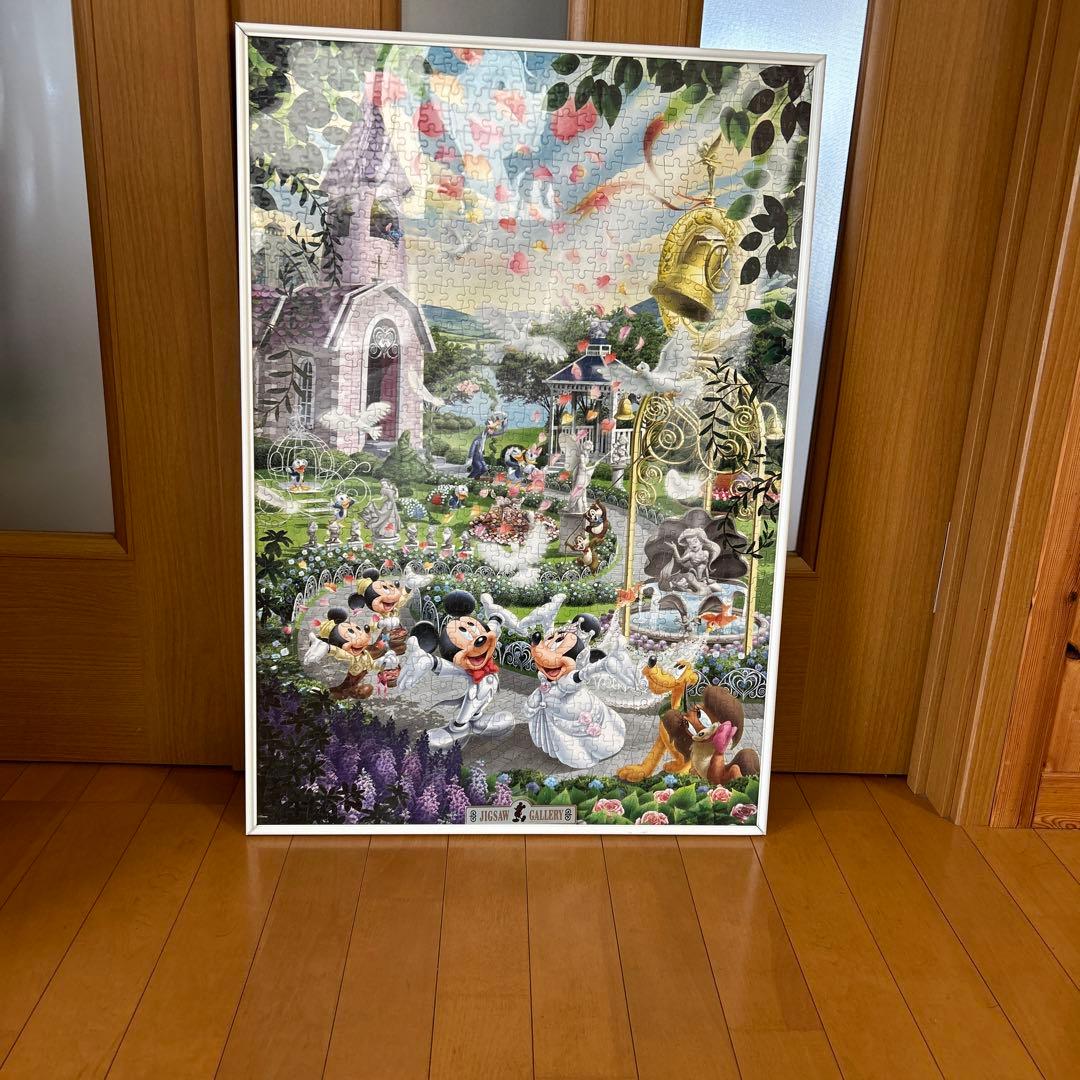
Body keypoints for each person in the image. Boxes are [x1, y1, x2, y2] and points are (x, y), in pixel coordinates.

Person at [466, 410, 507, 480]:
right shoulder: (478, 439)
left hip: (480, 455)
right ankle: (469, 479)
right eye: (491, 429)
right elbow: (473, 446)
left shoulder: (487, 435)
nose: (493, 431)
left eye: (493, 430)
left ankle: (474, 478)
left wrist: (505, 421)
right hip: (475, 456)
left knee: (484, 469)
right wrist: (470, 457)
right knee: (479, 467)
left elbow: (502, 431)